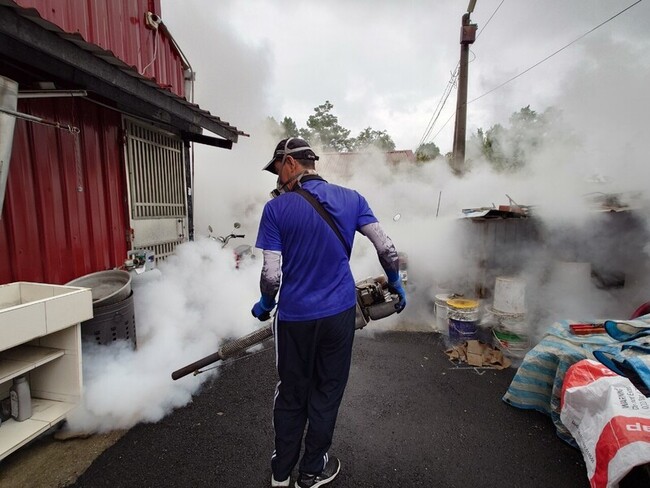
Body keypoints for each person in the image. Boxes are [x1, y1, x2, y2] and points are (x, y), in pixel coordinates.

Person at [251, 137, 406, 488]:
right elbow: (387, 247)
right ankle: (310, 473)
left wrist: (264, 304)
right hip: (338, 316)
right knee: (327, 391)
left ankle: (280, 473)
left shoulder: (276, 209)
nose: (276, 178)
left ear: (290, 163)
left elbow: (272, 275)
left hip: (294, 320)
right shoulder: (353, 199)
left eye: (277, 169)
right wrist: (395, 282)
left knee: (292, 393)